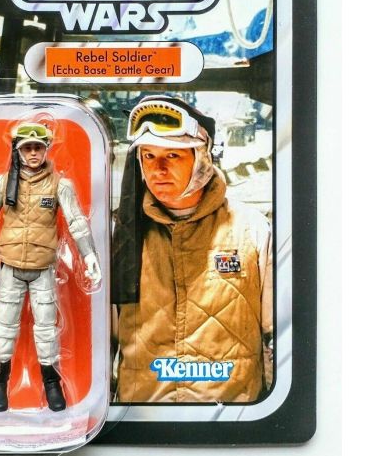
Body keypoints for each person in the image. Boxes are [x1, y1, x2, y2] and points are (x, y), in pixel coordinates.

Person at [112, 96, 273, 403]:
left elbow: (274, 333)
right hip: (144, 416)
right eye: (148, 156)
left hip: (229, 418)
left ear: (202, 159)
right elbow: (103, 340)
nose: (158, 169)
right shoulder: (122, 234)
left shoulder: (251, 229)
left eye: (172, 155)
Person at [0, 121, 101, 412]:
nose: (33, 153)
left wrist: (89, 255)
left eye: (38, 147)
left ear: (46, 150)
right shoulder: (2, 182)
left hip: (43, 269)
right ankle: (0, 381)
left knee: (46, 330)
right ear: (18, 151)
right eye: (27, 148)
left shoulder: (59, 185)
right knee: (5, 329)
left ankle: (51, 382)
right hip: (11, 267)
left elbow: (77, 222)